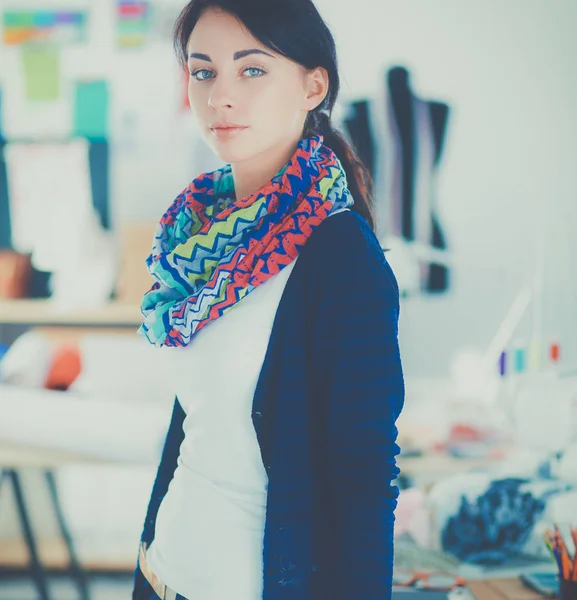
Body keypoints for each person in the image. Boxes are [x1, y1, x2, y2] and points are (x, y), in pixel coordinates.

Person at [133, 0, 404, 598]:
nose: (220, 96)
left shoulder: (341, 259)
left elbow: (364, 481)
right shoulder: (194, 241)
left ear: (313, 86)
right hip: (164, 572)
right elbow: (198, 430)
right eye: (204, 71)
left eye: (251, 70)